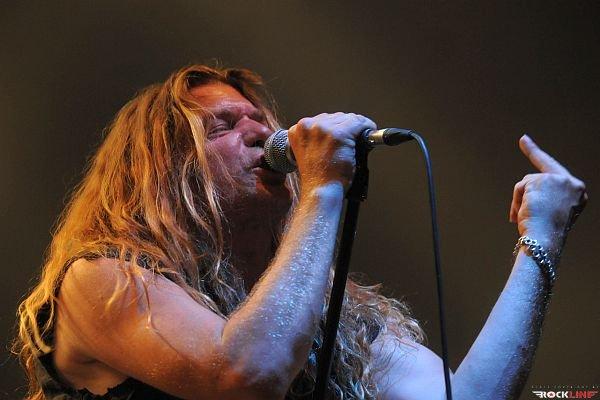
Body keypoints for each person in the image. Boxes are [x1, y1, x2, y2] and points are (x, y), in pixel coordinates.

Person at [13, 64, 587, 400]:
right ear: (165, 171)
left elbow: (466, 398)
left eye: (262, 122)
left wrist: (541, 237)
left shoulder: (334, 311)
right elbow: (246, 376)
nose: (264, 136)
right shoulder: (101, 279)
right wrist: (323, 188)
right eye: (222, 127)